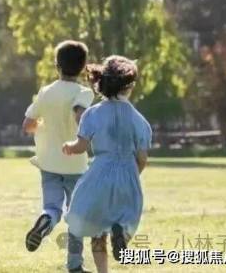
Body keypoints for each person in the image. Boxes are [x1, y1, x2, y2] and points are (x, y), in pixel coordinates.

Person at [62, 56, 152, 273]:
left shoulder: (92, 113)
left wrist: (69, 147)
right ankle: (120, 233)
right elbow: (142, 158)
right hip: (128, 174)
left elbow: (82, 146)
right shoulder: (139, 120)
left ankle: (103, 271)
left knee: (96, 229)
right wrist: (133, 174)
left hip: (99, 174)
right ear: (129, 87)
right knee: (125, 218)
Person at [22, 40, 94, 273]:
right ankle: (74, 265)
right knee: (77, 216)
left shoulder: (46, 92)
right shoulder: (84, 92)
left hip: (48, 163)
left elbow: (27, 125)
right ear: (83, 68)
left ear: (57, 66)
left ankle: (46, 220)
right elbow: (79, 114)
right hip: (75, 164)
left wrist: (43, 127)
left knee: (52, 207)